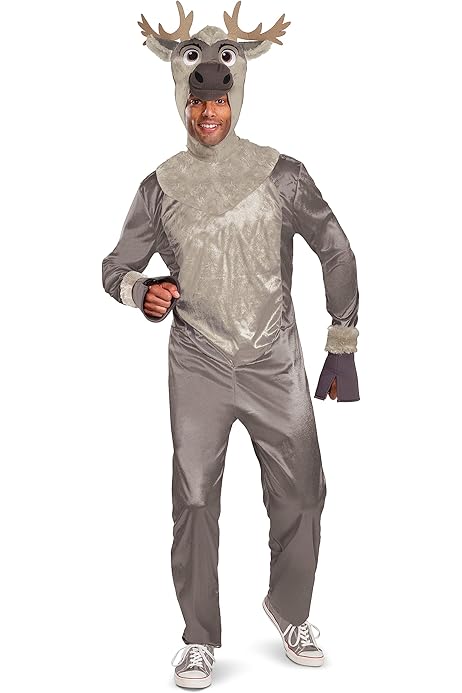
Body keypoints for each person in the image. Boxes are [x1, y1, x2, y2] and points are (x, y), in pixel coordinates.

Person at [102, 5, 360, 688]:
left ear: (237, 96)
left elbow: (334, 247)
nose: (208, 111)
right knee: (193, 499)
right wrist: (140, 290)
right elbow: (115, 266)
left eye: (219, 98)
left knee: (303, 494)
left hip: (275, 357)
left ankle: (291, 610)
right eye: (197, 100)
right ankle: (198, 637)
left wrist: (342, 342)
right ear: (180, 100)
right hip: (199, 363)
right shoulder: (159, 187)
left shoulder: (282, 174)